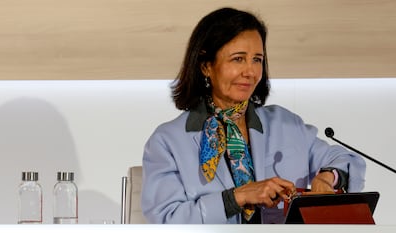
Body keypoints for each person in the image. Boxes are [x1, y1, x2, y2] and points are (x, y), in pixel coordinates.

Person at [141, 7, 366, 224]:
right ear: (206, 65)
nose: (250, 72)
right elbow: (166, 220)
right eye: (238, 59)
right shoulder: (167, 141)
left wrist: (328, 177)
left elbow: (345, 160)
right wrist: (238, 196)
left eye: (257, 59)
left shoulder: (285, 123)